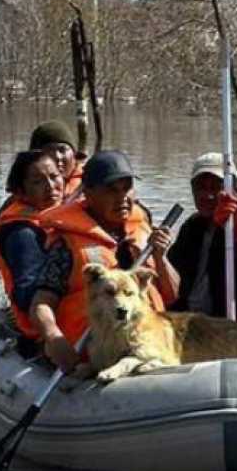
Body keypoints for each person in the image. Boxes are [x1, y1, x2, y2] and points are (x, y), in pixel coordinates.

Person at [31, 149, 179, 372]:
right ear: (88, 194)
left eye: (127, 188)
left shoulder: (143, 231)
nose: (122, 197)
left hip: (144, 350)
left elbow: (172, 294)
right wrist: (54, 337)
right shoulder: (67, 244)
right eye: (111, 190)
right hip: (89, 355)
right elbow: (41, 303)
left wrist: (160, 257)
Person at [0, 121, 87, 288]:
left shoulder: (93, 190)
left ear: (74, 154)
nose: (57, 157)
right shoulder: (20, 204)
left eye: (63, 150)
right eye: (49, 151)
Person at [165, 152, 237, 324]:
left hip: (235, 320)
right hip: (189, 319)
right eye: (201, 187)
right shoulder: (192, 226)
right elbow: (174, 276)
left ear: (236, 190)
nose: (207, 195)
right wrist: (158, 254)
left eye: (216, 187)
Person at [0, 150, 65, 345]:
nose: (50, 187)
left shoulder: (63, 217)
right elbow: (27, 296)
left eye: (54, 176)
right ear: (21, 191)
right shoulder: (22, 233)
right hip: (45, 330)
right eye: (38, 182)